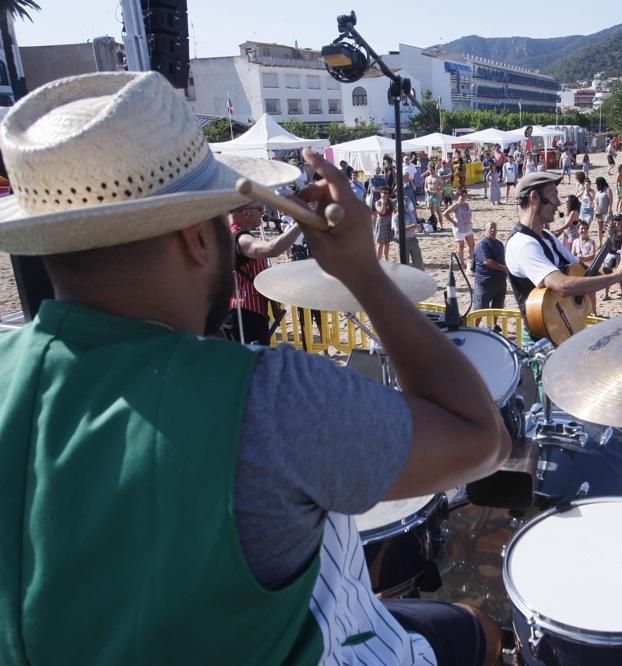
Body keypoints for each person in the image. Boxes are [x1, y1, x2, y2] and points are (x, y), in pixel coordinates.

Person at [0, 70, 509, 666]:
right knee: (476, 628)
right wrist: (365, 273)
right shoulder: (264, 397)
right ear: (196, 238)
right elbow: (481, 439)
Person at [505, 171, 622, 346]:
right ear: (535, 197)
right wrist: (617, 275)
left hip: (566, 331)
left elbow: (582, 270)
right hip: (544, 341)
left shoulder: (547, 237)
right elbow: (563, 286)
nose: (558, 202)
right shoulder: (523, 244)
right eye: (554, 195)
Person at [224, 202, 302, 345]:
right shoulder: (238, 237)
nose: (262, 213)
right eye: (259, 209)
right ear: (246, 212)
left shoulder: (232, 234)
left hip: (246, 315)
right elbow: (272, 248)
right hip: (243, 317)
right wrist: (301, 224)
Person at [472, 222, 507, 309]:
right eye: (491, 228)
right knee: (480, 308)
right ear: (485, 230)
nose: (493, 230)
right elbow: (488, 262)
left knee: (497, 307)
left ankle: (494, 323)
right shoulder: (482, 244)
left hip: (500, 282)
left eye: (495, 228)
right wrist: (505, 269)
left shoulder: (499, 244)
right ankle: (473, 324)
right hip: (485, 282)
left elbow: (503, 260)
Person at [443, 189, 476, 270]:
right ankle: (462, 263)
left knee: (472, 244)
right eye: (462, 195)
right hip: (459, 229)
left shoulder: (467, 204)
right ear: (458, 195)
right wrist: (453, 222)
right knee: (461, 246)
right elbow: (445, 214)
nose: (463, 197)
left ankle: (471, 260)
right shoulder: (456, 205)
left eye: (465, 195)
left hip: (468, 227)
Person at [603, 213, 622, 300]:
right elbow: (605, 243)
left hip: (621, 255)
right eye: (615, 220)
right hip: (611, 254)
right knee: (608, 275)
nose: (617, 222)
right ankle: (606, 294)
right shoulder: (611, 231)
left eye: (619, 220)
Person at [374, 189, 394, 261]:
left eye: (387, 193)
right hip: (382, 223)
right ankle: (378, 260)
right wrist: (383, 202)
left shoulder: (390, 201)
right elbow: (382, 212)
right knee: (380, 243)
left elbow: (394, 211)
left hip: (389, 222)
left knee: (387, 243)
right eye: (384, 193)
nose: (385, 194)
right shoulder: (378, 202)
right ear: (380, 193)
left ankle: (386, 259)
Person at [594, 176, 613, 246]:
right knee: (599, 228)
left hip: (606, 212)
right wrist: (595, 209)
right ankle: (600, 242)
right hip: (598, 212)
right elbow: (596, 201)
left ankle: (607, 243)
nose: (596, 185)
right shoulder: (598, 191)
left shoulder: (608, 190)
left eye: (597, 184)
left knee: (606, 228)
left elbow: (611, 201)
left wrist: (609, 210)